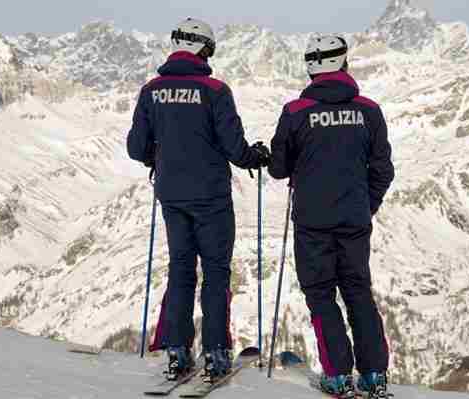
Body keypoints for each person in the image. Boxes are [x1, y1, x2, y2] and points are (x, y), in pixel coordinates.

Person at [126, 18, 270, 383]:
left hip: (172, 195)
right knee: (216, 271)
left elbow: (135, 147)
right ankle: (217, 353)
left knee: (180, 269)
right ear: (204, 49)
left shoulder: (151, 90)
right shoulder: (215, 90)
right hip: (211, 196)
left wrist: (157, 158)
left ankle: (177, 350)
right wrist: (256, 157)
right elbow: (234, 148)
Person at [268, 35, 395, 399]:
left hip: (312, 221)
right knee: (358, 292)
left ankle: (338, 376)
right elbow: (382, 169)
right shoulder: (369, 110)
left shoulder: (295, 112)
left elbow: (279, 168)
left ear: (310, 67)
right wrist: (365, 205)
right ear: (343, 64)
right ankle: (374, 375)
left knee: (321, 295)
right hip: (354, 219)